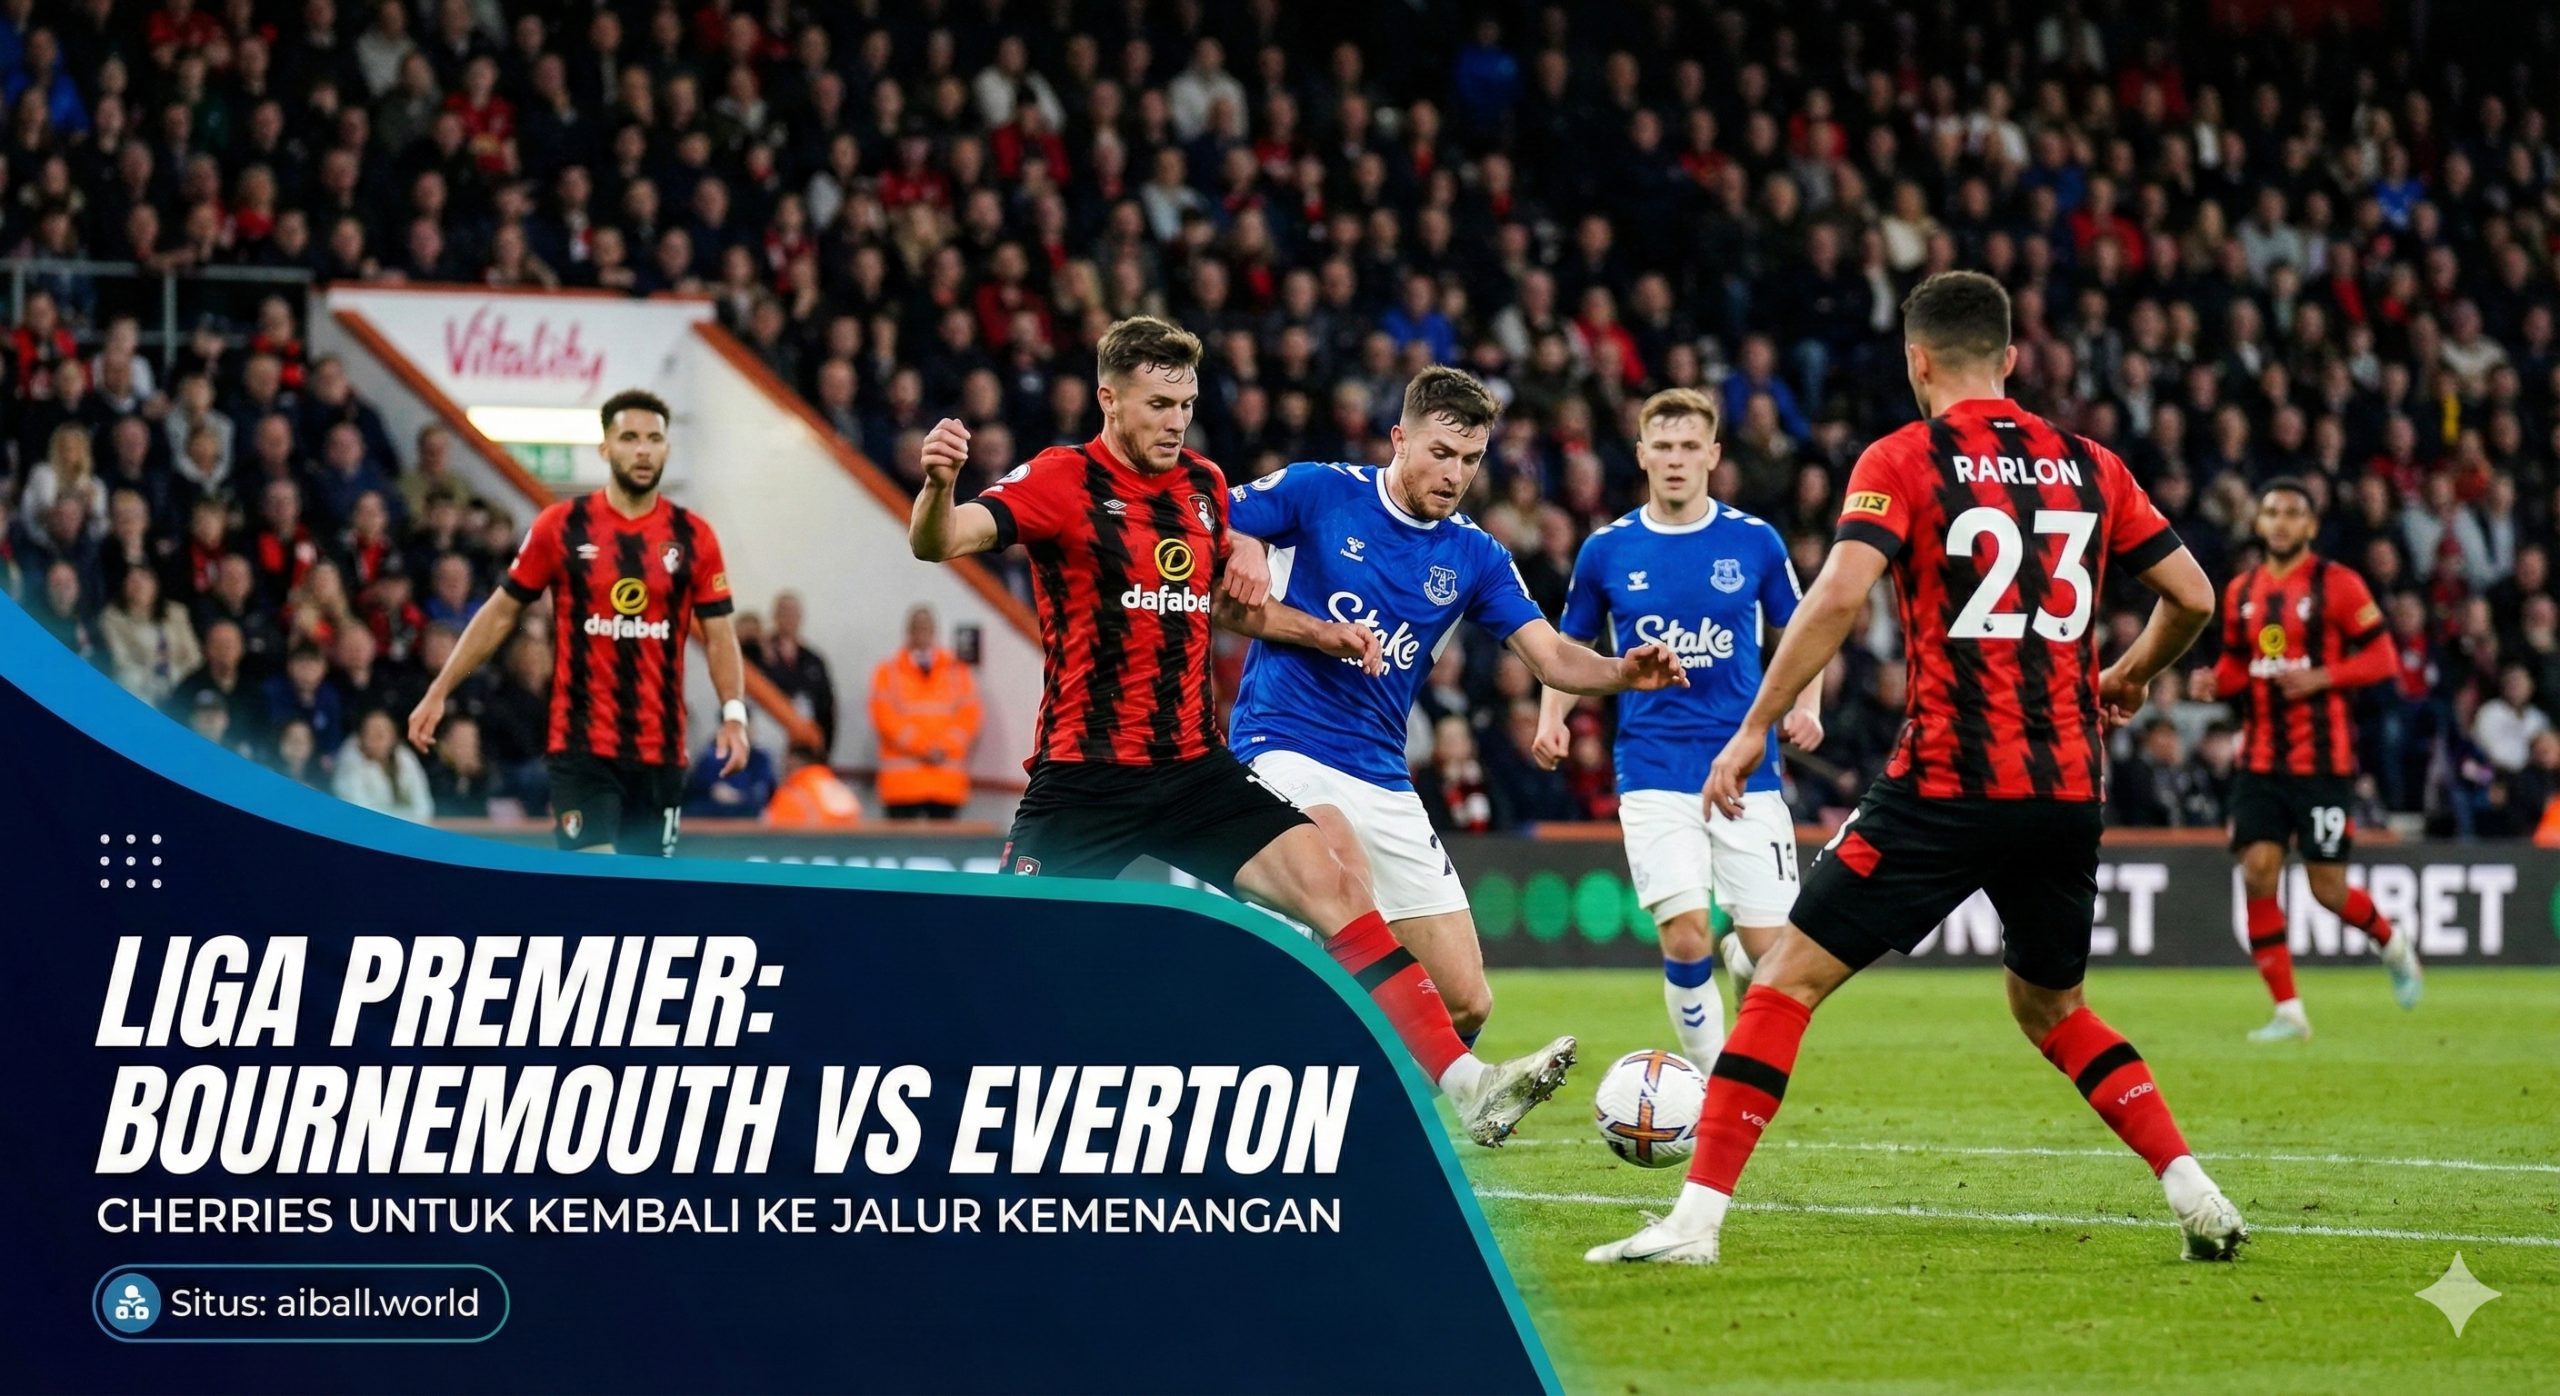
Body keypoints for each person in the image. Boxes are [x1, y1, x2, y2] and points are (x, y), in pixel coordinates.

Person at [1587, 271, 2247, 1266]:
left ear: (1917, 361)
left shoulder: (1903, 457)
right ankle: (2194, 1192)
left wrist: (1748, 729)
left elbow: (1837, 599)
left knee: (1780, 982)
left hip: (1945, 779)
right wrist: (2130, 672)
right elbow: (2192, 594)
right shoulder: (2089, 463)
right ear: (2012, 359)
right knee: (2051, 1006)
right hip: (2066, 786)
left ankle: (1695, 1221)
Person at [908, 314, 1576, 1146]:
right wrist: (938, 487)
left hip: (1196, 770)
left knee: (1336, 889)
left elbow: (1227, 604)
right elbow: (941, 542)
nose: (1176, 420)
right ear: (1109, 400)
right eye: (1158, 403)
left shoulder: (1202, 489)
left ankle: (1466, 1085)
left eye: (1185, 402)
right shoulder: (1060, 480)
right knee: (1003, 966)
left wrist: (1318, 624)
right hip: (1085, 776)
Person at [1221, 365, 1688, 1045]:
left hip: (1381, 771)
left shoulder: (1476, 556)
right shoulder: (1319, 490)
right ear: (1399, 440)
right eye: (1441, 453)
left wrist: (1622, 671)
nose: (1455, 473)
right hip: (1283, 743)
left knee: (1465, 1003)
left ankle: (1367, 1115)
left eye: (1470, 459)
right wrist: (1241, 544)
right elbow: (1205, 515)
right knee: (1343, 867)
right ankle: (1283, 1058)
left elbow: (1551, 656)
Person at [1531, 387, 1821, 1068]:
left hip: (1748, 766)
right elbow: (1565, 651)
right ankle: (1713, 1086)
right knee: (1685, 934)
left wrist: (1806, 706)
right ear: (1641, 455)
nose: (1676, 459)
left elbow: (1808, 631)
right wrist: (1552, 720)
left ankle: (1743, 967)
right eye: (1662, 446)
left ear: (1714, 455)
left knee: (1770, 956)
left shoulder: (1753, 541)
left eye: (1690, 446)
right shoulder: (1607, 550)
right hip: (1653, 766)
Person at [408, 389, 753, 855]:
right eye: (629, 437)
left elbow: (719, 635)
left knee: (645, 901)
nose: (643, 449)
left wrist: (733, 712)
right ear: (605, 448)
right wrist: (440, 688)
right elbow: (500, 613)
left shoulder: (695, 536)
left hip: (661, 748)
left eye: (654, 438)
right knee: (598, 880)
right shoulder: (560, 527)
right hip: (582, 743)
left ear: (667, 449)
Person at [2190, 479, 2421, 1040]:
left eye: (2293, 513)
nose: (2281, 522)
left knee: (2327, 889)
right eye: (2271, 512)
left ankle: (2391, 943)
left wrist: (2323, 675)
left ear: (2312, 526)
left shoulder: (2338, 585)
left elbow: (2384, 657)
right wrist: (2211, 683)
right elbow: (2238, 668)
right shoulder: (2241, 591)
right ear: (2258, 522)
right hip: (2262, 761)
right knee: (2258, 871)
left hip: (2322, 764)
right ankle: (2288, 1010)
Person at [868, 603, 980, 819]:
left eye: (926, 627)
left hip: (945, 786)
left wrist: (944, 747)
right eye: (917, 627)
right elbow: (885, 719)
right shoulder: (888, 671)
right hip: (903, 787)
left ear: (935, 630)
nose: (921, 632)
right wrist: (924, 748)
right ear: (908, 631)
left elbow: (969, 717)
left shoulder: (957, 670)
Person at [335, 707, 437, 822]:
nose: (379, 738)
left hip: (407, 831)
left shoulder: (404, 757)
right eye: (372, 732)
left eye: (384, 732)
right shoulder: (350, 762)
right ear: (361, 737)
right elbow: (359, 811)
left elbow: (424, 805)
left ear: (393, 736)